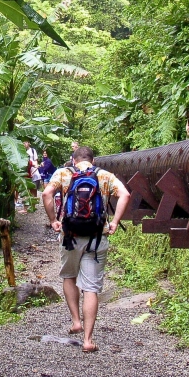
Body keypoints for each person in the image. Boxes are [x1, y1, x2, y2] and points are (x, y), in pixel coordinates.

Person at [42, 146, 131, 354]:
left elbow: (47, 193)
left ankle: (76, 321)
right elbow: (125, 195)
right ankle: (88, 340)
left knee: (69, 276)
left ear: (73, 160)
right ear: (94, 160)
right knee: (91, 288)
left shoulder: (64, 173)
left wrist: (54, 220)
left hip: (70, 237)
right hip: (97, 237)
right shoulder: (104, 175)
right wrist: (115, 222)